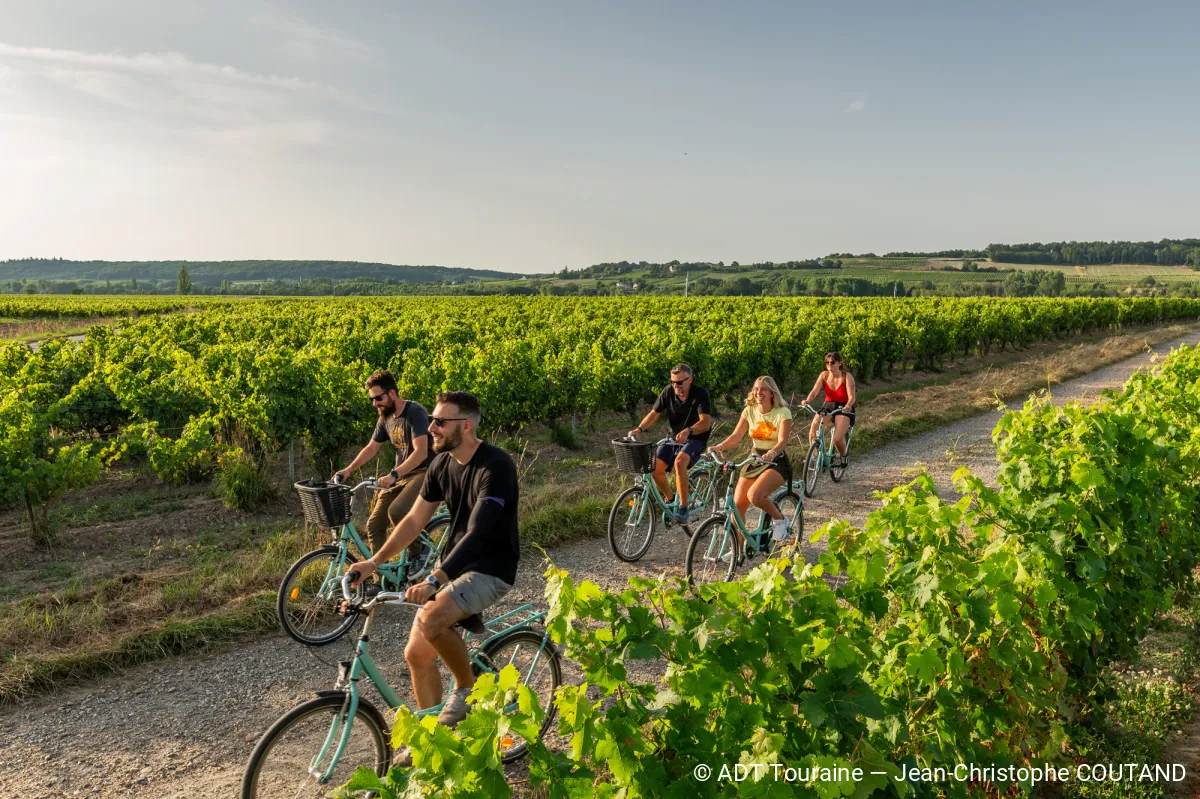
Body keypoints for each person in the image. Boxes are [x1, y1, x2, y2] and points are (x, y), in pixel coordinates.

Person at [345, 391, 518, 766]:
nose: (432, 427)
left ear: (466, 426)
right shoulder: (441, 464)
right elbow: (412, 521)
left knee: (430, 618)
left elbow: (477, 533)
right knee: (416, 654)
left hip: (490, 568)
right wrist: (373, 563)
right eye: (433, 420)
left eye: (440, 421)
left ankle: (466, 687)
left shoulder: (496, 467)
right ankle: (434, 741)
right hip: (454, 566)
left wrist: (436, 580)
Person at [335, 370, 434, 559]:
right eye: (372, 399)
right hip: (401, 476)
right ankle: (380, 578)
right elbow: (372, 448)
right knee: (374, 525)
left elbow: (421, 453)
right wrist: (348, 470)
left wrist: (393, 475)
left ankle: (420, 552)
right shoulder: (385, 418)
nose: (375, 403)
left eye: (378, 398)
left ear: (392, 393)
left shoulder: (415, 412)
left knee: (397, 512)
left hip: (423, 472)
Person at [709, 376, 794, 543]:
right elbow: (735, 437)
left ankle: (780, 520)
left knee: (755, 496)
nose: (758, 392)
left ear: (772, 393)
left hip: (776, 460)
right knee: (737, 506)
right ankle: (737, 551)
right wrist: (719, 447)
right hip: (754, 458)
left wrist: (772, 452)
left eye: (763, 389)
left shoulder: (783, 413)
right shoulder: (749, 410)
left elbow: (783, 441)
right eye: (756, 388)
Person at [627, 364, 712, 524]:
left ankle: (683, 508)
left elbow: (705, 423)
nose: (675, 386)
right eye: (673, 382)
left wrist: (689, 431)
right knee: (654, 468)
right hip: (675, 438)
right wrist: (639, 429)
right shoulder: (668, 391)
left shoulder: (700, 394)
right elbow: (654, 414)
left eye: (679, 382)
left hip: (696, 438)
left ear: (690, 380)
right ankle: (671, 499)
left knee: (680, 462)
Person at [803, 351, 856, 464]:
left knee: (837, 439)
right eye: (827, 363)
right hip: (828, 405)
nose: (829, 365)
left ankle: (843, 457)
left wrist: (848, 406)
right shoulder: (824, 375)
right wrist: (807, 400)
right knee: (813, 430)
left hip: (843, 407)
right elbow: (814, 392)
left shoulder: (847, 376)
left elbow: (852, 397)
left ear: (839, 363)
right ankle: (817, 456)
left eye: (832, 362)